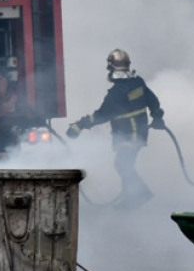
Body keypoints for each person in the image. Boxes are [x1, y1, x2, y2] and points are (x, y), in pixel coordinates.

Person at [66, 48, 165, 208]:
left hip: (128, 135)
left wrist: (79, 126)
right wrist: (158, 116)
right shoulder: (137, 81)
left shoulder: (117, 92)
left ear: (111, 67)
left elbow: (101, 115)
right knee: (124, 164)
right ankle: (132, 196)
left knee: (122, 164)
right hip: (139, 133)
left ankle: (138, 195)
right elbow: (152, 99)